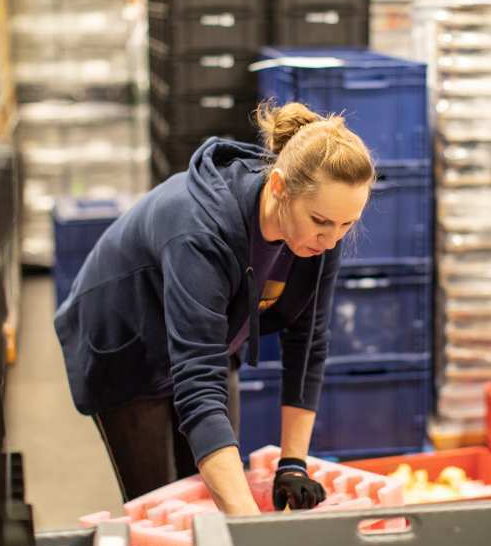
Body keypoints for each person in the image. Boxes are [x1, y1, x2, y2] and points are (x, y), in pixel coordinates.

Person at [54, 101, 375, 514]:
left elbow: (308, 341)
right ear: (279, 187)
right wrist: (249, 527)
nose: (332, 240)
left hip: (208, 337)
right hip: (128, 343)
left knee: (215, 488)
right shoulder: (200, 230)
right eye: (321, 222)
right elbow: (198, 381)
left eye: (347, 225)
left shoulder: (321, 230)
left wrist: (293, 463)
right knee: (162, 505)